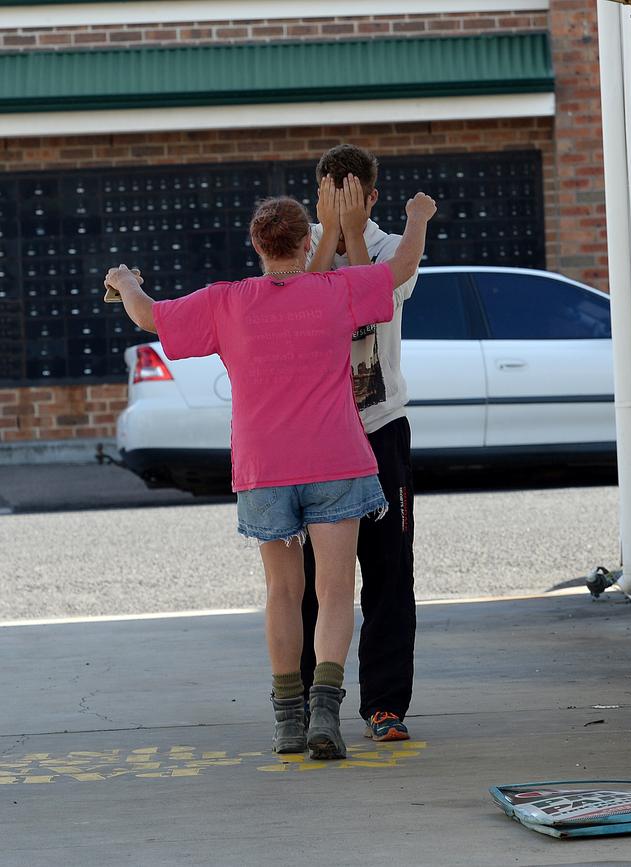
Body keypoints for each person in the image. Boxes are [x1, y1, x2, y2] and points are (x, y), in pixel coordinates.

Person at [104, 187, 436, 760]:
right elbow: (403, 266)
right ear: (308, 245)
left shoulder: (224, 301)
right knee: (335, 592)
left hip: (263, 470)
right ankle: (325, 714)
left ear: (256, 246)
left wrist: (125, 279)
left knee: (283, 591)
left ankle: (288, 720)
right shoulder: (336, 290)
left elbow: (148, 315)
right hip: (336, 460)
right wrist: (417, 217)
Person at [302, 145, 421, 742]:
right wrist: (328, 231)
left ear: (372, 197)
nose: (339, 206)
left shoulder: (393, 249)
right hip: (317, 436)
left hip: (380, 430)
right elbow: (297, 305)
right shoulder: (300, 247)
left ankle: (384, 704)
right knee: (311, 577)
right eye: (328, 195)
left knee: (388, 569)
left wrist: (352, 233)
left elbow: (369, 302)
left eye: (350, 195)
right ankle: (306, 700)